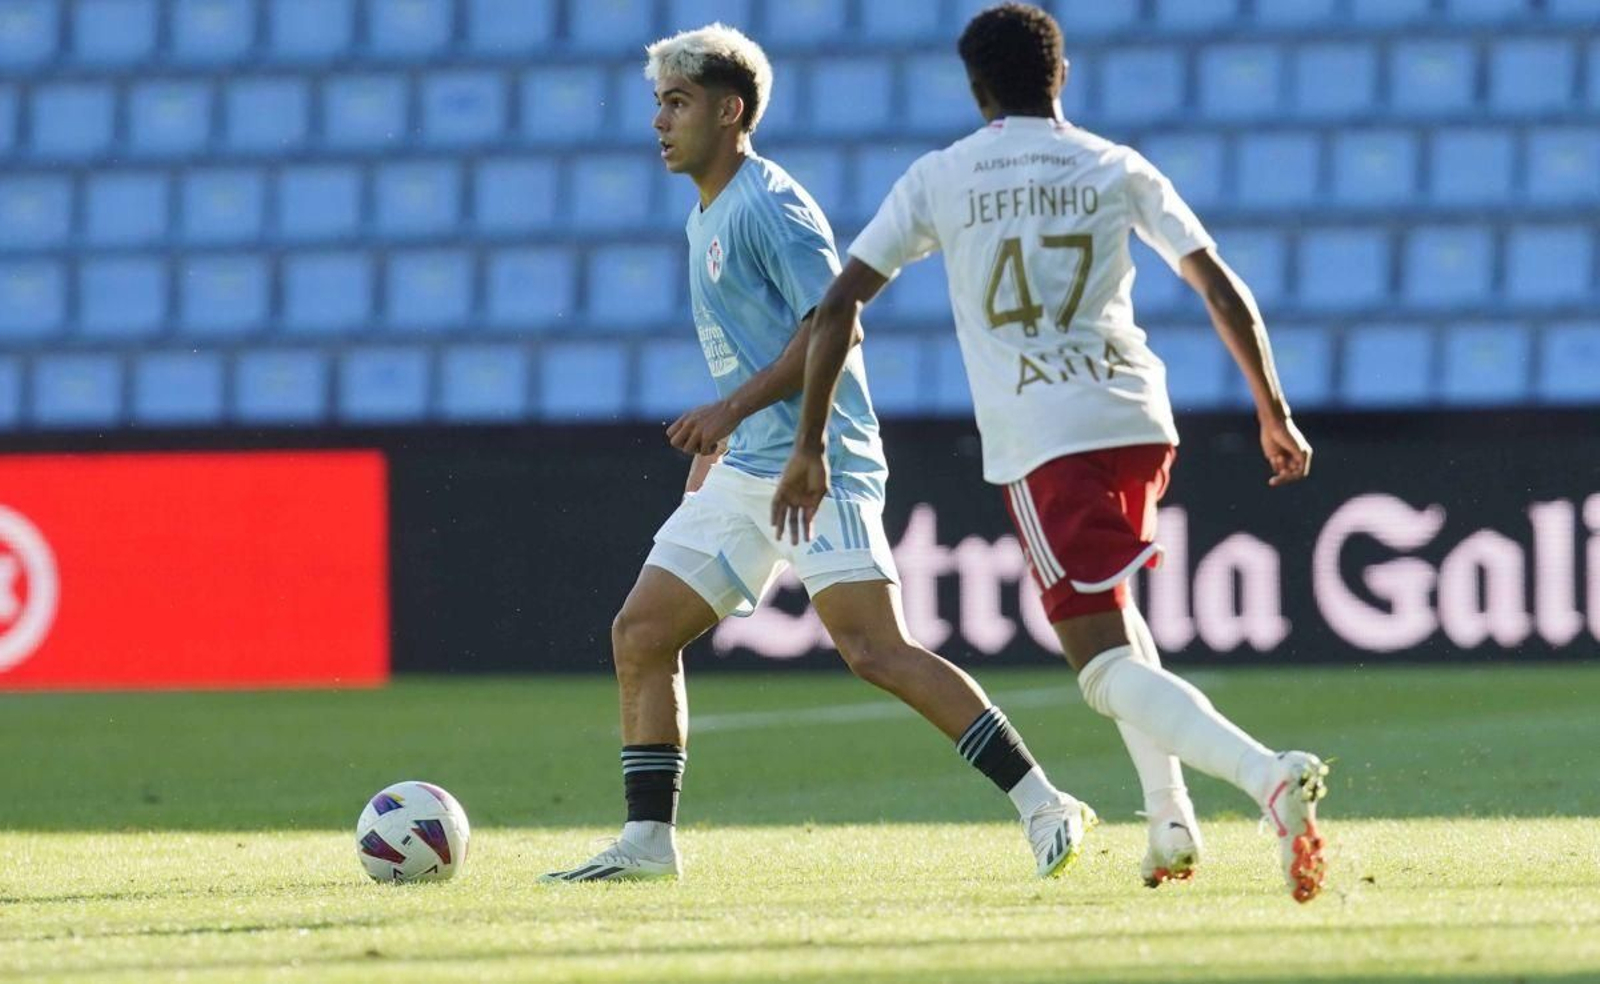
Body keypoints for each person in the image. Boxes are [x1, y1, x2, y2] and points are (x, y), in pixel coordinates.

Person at [771, 3, 1331, 903]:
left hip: (1045, 434)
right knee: (1116, 617)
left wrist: (808, 445)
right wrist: (1273, 407)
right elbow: (1214, 279)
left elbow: (838, 307)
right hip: (1140, 419)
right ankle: (1169, 817)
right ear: (1059, 77)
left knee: (1101, 669)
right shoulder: (1114, 163)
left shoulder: (942, 176)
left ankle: (1268, 775)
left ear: (978, 87)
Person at [542, 22, 1095, 884]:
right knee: (643, 633)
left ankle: (1043, 802)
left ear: (730, 112)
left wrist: (755, 423)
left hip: (817, 457)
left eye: (677, 103)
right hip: (749, 464)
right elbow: (745, 342)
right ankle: (648, 844)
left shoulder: (771, 204)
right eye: (657, 104)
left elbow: (833, 322)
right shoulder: (708, 214)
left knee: (873, 650)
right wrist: (718, 450)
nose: (659, 121)